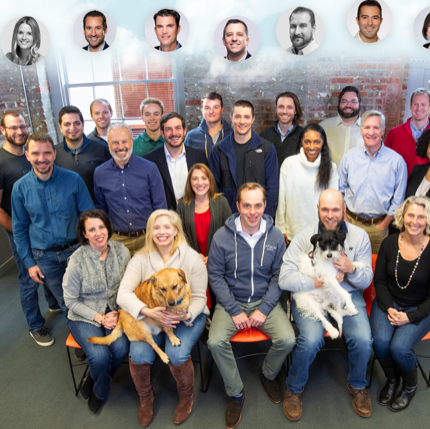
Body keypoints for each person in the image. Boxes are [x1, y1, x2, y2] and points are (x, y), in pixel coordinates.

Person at [279, 189, 374, 421]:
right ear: (318, 210)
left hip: (345, 294)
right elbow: (284, 277)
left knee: (363, 339)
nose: (330, 215)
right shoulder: (304, 237)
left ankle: (358, 385)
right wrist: (316, 281)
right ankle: (294, 389)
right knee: (310, 339)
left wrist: (350, 269)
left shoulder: (359, 236)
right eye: (325, 209)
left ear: (344, 209)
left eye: (335, 209)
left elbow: (367, 279)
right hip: (311, 294)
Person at [207, 183, 295, 429]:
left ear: (265, 206)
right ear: (238, 206)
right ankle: (236, 393)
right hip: (230, 303)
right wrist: (234, 310)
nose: (253, 211)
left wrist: (265, 308)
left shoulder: (276, 236)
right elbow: (214, 275)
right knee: (214, 341)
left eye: (258, 205)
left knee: (288, 339)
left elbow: (280, 276)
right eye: (247, 205)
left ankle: (267, 374)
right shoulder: (221, 237)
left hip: (263, 302)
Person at [117, 210, 209, 427]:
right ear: (150, 232)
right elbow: (123, 294)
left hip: (187, 317)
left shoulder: (191, 257)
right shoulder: (140, 259)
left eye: (167, 227)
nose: (162, 232)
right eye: (156, 228)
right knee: (138, 355)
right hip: (151, 319)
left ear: (176, 230)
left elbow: (199, 298)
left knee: (176, 354)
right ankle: (146, 398)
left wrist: (185, 314)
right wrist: (147, 312)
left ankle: (186, 397)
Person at [0, 111, 63, 341]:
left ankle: (54, 303)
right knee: (29, 278)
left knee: (47, 269)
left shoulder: (34, 155)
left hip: (46, 229)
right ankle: (35, 324)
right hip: (22, 233)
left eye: (22, 126)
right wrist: (22, 232)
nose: (19, 131)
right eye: (13, 128)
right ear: (2, 130)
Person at [11, 132, 95, 346]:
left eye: (47, 152)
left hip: (76, 251)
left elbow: (89, 215)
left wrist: (93, 249)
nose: (42, 158)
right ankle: (82, 341)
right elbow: (19, 229)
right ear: (27, 155)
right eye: (36, 153)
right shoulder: (20, 188)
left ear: (54, 154)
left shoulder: (73, 179)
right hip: (44, 257)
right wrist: (29, 263)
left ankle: (87, 338)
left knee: (87, 297)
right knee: (67, 303)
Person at [371, 196, 430, 412]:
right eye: (410, 215)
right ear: (403, 217)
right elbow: (380, 281)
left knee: (399, 348)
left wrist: (409, 317)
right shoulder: (389, 243)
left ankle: (410, 385)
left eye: (421, 217)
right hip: (389, 302)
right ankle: (392, 378)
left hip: (419, 308)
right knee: (380, 343)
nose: (415, 221)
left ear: (428, 220)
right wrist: (389, 307)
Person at [62, 209, 130, 413]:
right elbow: (70, 301)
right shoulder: (76, 261)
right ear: (84, 234)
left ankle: (93, 377)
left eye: (101, 227)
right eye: (91, 229)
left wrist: (118, 311)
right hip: (84, 315)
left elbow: (129, 288)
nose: (98, 233)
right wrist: (99, 317)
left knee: (120, 349)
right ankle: (100, 392)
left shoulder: (121, 252)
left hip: (115, 311)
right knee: (99, 357)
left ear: (108, 228)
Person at [94, 122, 167, 256]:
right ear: (108, 144)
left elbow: (160, 207)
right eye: (115, 142)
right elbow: (101, 210)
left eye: (124, 141)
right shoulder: (99, 173)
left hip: (147, 238)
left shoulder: (149, 169)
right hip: (117, 240)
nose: (121, 147)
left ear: (132, 142)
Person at [339, 110, 407, 254]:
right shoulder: (349, 158)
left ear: (383, 131)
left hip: (378, 228)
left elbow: (399, 198)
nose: (371, 132)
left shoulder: (396, 161)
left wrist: (385, 224)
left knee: (376, 268)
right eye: (367, 127)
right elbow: (340, 190)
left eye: (376, 127)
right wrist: (344, 218)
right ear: (361, 130)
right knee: (348, 264)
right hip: (351, 224)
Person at [208, 100, 280, 217]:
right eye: (238, 117)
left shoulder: (267, 149)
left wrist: (265, 220)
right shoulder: (218, 150)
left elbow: (272, 190)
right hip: (227, 219)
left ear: (253, 119)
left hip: (257, 218)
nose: (242, 121)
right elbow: (213, 191)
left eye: (247, 117)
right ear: (231, 118)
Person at [177, 164, 232, 311]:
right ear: (190, 182)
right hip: (192, 262)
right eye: (195, 179)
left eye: (203, 178)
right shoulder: (182, 204)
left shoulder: (221, 202)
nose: (199, 183)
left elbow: (230, 235)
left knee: (217, 303)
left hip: (218, 261)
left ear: (210, 180)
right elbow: (179, 237)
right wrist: (195, 257)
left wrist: (212, 257)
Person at [275, 124, 339, 243]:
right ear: (301, 142)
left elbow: (334, 204)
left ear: (323, 142)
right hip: (292, 232)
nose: (312, 146)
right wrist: (280, 228)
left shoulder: (331, 168)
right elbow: (281, 200)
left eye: (316, 142)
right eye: (307, 142)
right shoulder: (289, 164)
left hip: (321, 233)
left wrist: (331, 230)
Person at [143, 112, 208, 210]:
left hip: (194, 216)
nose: (174, 133)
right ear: (162, 133)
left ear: (184, 131)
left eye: (178, 128)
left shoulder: (199, 157)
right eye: (168, 129)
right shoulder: (149, 160)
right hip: (166, 219)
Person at [54, 105, 111, 200]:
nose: (72, 128)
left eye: (76, 123)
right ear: (60, 127)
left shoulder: (101, 148)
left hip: (98, 210)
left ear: (83, 124)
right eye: (67, 124)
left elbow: (113, 179)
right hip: (68, 212)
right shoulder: (54, 153)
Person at [385, 88, 430, 177]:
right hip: (399, 188)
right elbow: (385, 163)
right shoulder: (394, 134)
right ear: (410, 106)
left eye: (423, 104)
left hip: (426, 189)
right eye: (415, 104)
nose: (419, 108)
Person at [319, 86, 364, 165]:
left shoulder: (369, 129)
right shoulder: (323, 127)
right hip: (329, 176)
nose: (348, 105)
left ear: (359, 104)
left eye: (353, 102)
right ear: (339, 103)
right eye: (344, 101)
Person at [259, 91, 305, 167]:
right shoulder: (264, 136)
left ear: (295, 111)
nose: (284, 111)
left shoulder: (304, 135)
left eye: (289, 107)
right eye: (281, 107)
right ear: (276, 109)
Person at [185, 92, 233, 157]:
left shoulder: (232, 134)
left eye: (215, 107)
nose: (211, 111)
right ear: (202, 110)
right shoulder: (191, 137)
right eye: (207, 108)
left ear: (222, 109)